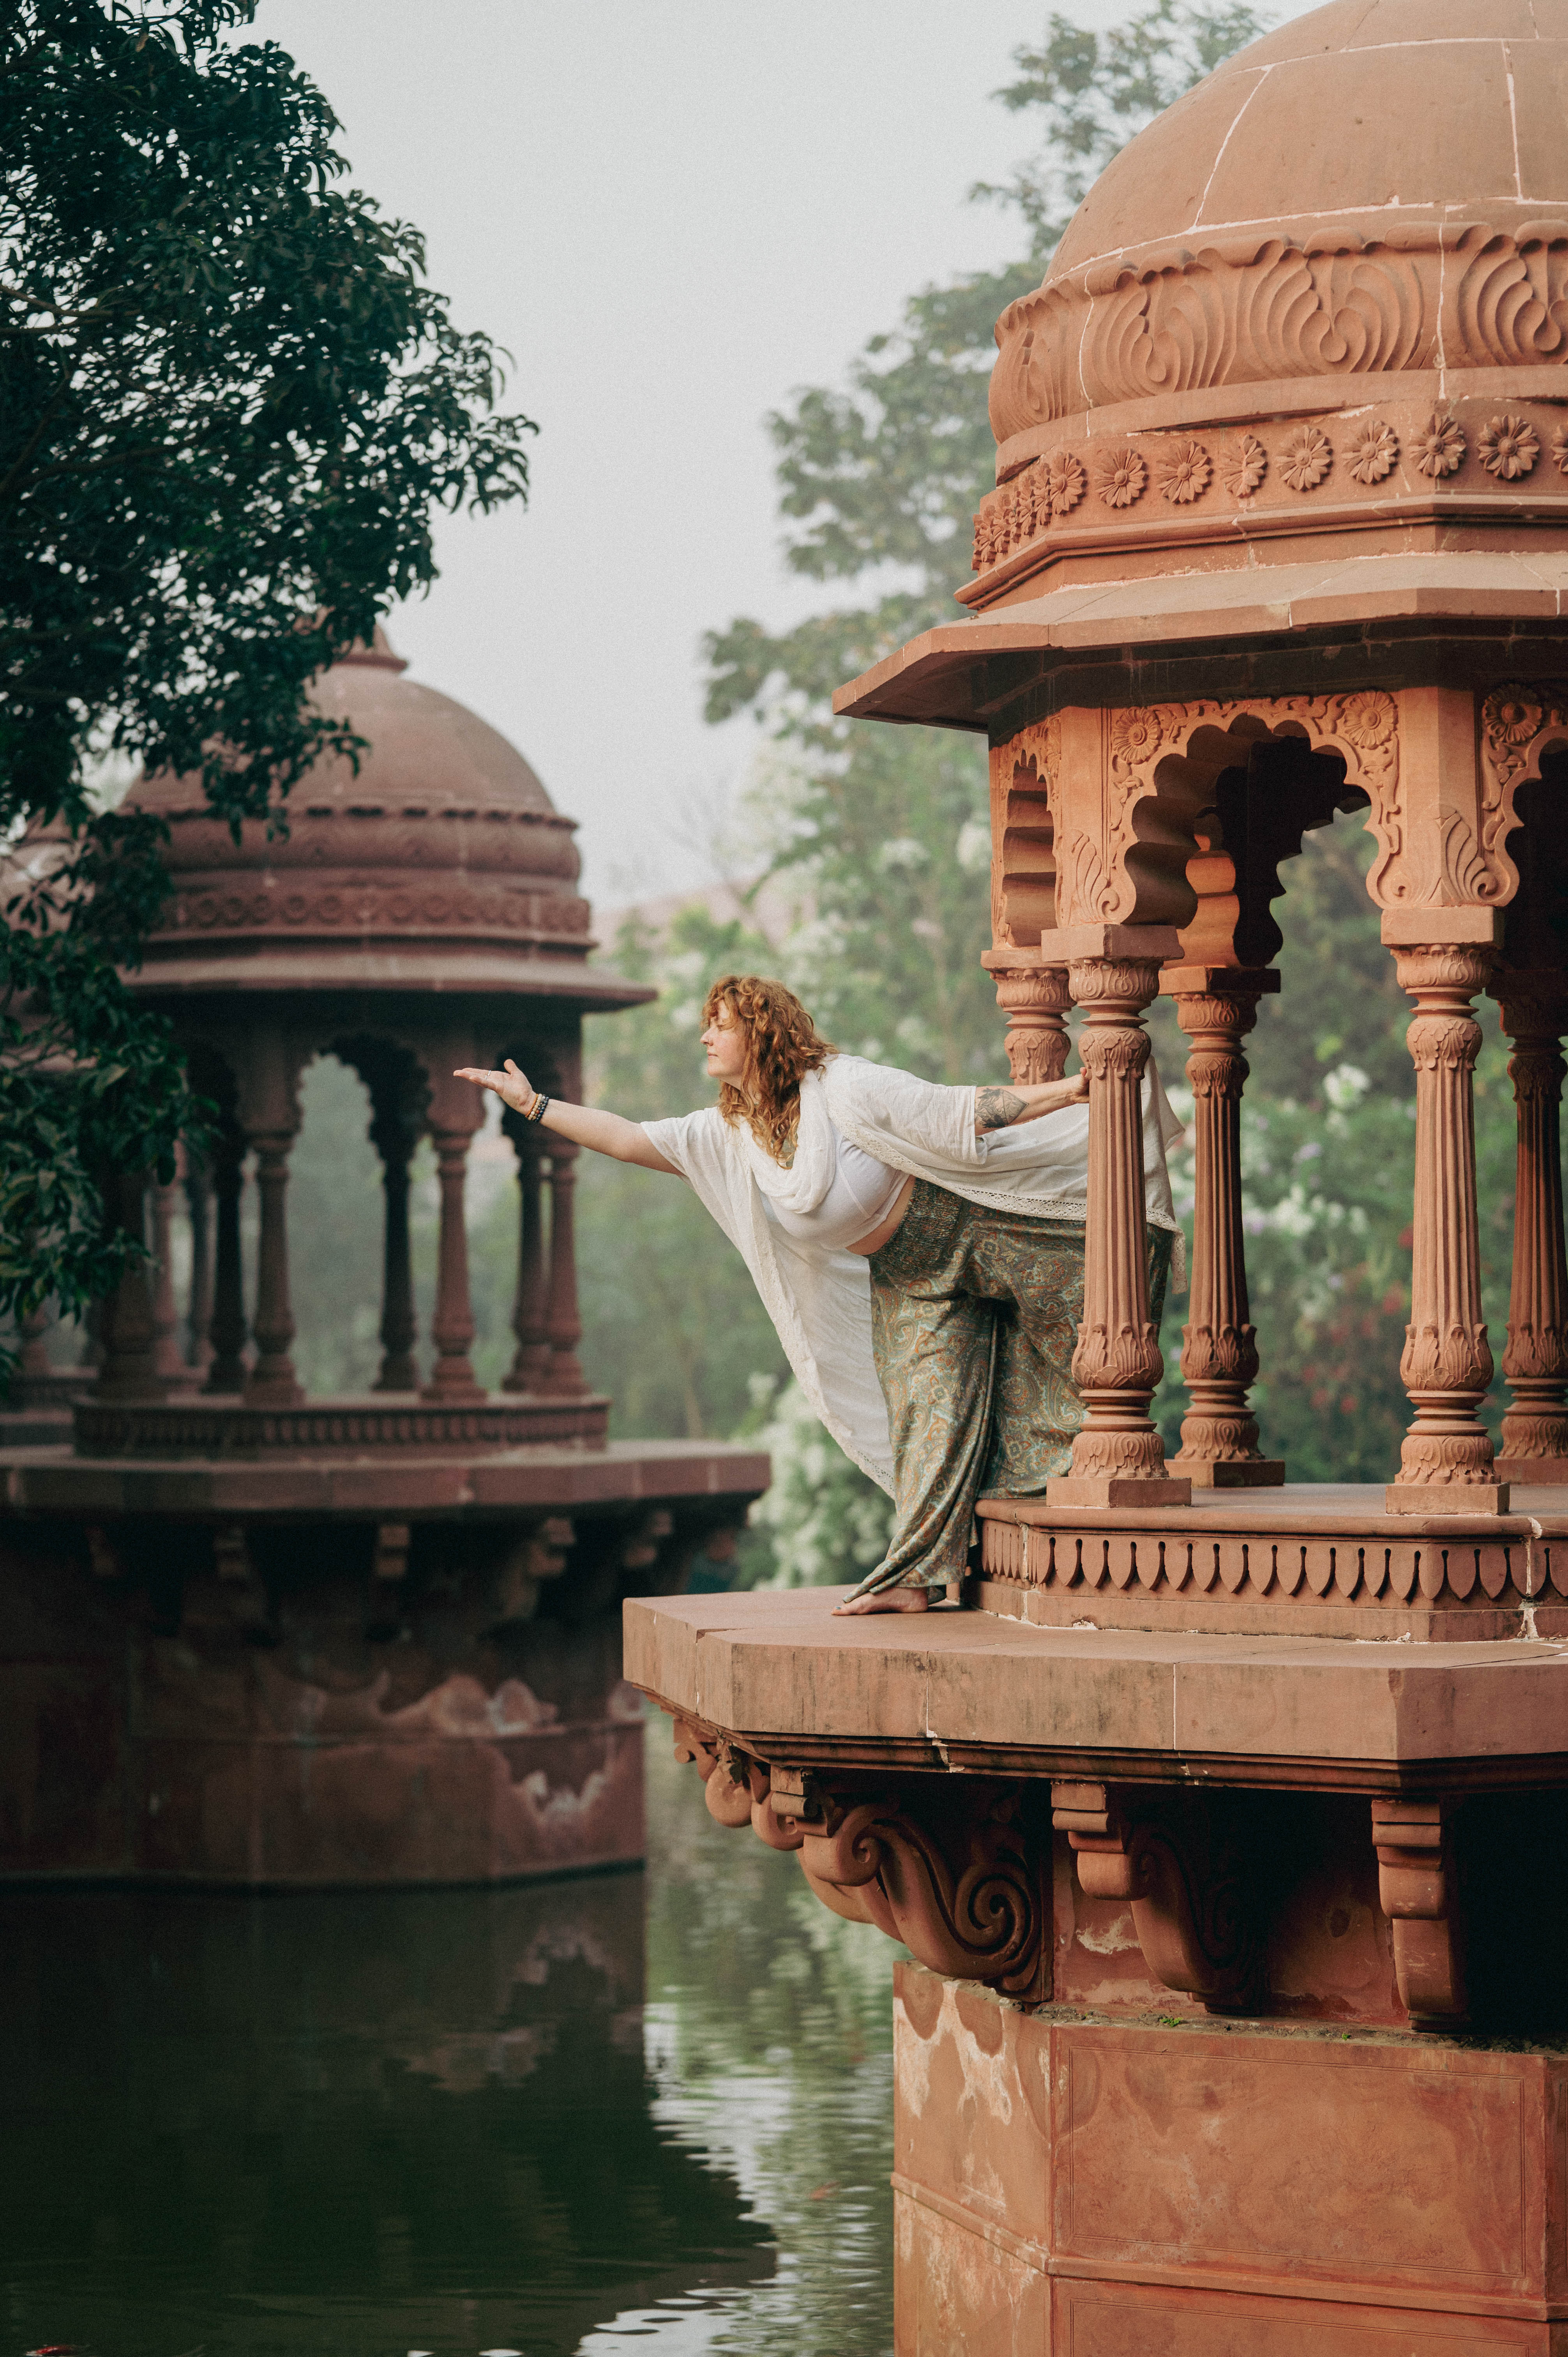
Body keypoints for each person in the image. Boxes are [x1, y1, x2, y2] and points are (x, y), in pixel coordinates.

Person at [457, 975, 1183, 1616]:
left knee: (1088, 1331)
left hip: (979, 1225)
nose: (706, 1036)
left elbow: (960, 1112)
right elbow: (627, 1139)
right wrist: (534, 1105)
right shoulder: (731, 1134)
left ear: (763, 1031)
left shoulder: (845, 1088)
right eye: (706, 1024)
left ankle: (1111, 1485)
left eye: (722, 1023)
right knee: (925, 1424)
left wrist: (1069, 1092)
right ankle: (918, 1576)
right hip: (909, 1275)